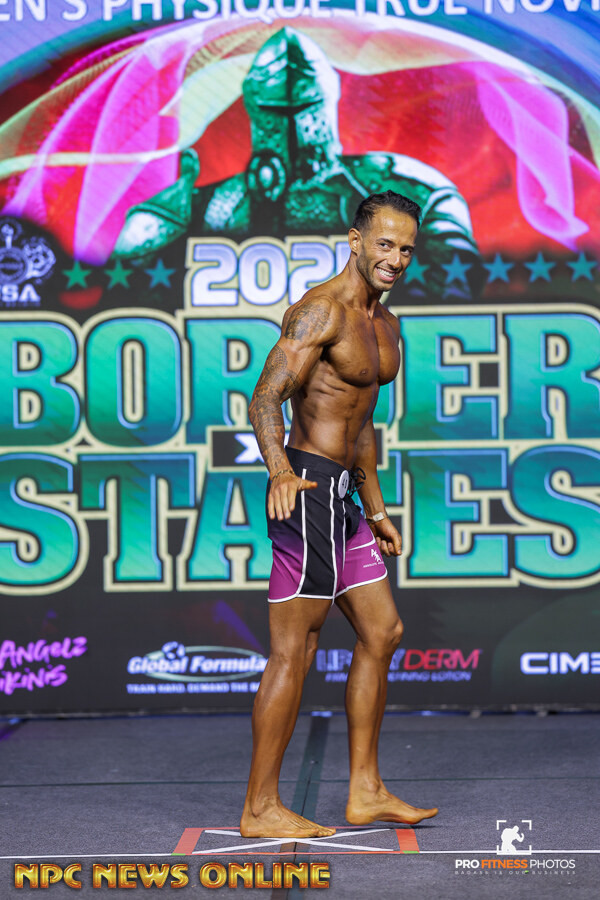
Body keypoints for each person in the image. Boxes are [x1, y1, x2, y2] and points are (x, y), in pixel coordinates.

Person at [240, 190, 439, 839]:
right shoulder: (320, 310)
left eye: (406, 248)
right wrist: (279, 471)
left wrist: (375, 508)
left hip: (345, 499)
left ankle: (365, 791)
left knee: (383, 631)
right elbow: (265, 397)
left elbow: (362, 424)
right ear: (356, 242)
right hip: (305, 488)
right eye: (385, 244)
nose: (396, 258)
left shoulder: (386, 324)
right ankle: (260, 807)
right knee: (294, 652)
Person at [112, 27, 482, 300]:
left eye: (304, 108)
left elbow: (454, 292)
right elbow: (128, 289)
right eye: (275, 112)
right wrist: (167, 216)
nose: (291, 126)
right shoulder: (213, 205)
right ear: (256, 109)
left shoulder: (410, 190)